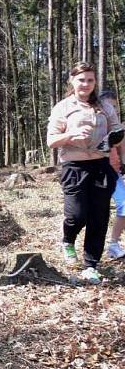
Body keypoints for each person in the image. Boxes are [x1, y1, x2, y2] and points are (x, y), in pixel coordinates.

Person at [47, 62, 124, 284]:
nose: (86, 84)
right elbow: (51, 141)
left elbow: (118, 133)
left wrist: (117, 151)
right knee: (77, 214)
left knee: (99, 217)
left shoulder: (104, 107)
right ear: (72, 81)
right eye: (81, 80)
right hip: (74, 167)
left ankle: (91, 265)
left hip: (102, 167)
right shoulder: (63, 107)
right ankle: (68, 240)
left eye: (90, 80)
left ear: (95, 82)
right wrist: (71, 135)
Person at [98, 89, 125, 260]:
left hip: (115, 175)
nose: (112, 111)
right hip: (96, 174)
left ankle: (113, 245)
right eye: (108, 107)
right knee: (93, 213)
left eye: (114, 107)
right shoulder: (95, 125)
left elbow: (122, 149)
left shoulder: (118, 128)